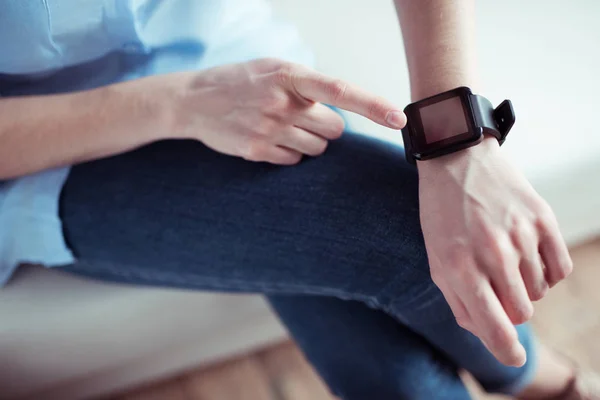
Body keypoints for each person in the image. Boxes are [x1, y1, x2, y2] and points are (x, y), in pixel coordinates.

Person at [0, 0, 597, 399]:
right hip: (52, 150)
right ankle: (545, 381)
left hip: (245, 76)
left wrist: (459, 141)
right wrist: (180, 101)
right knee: (406, 239)